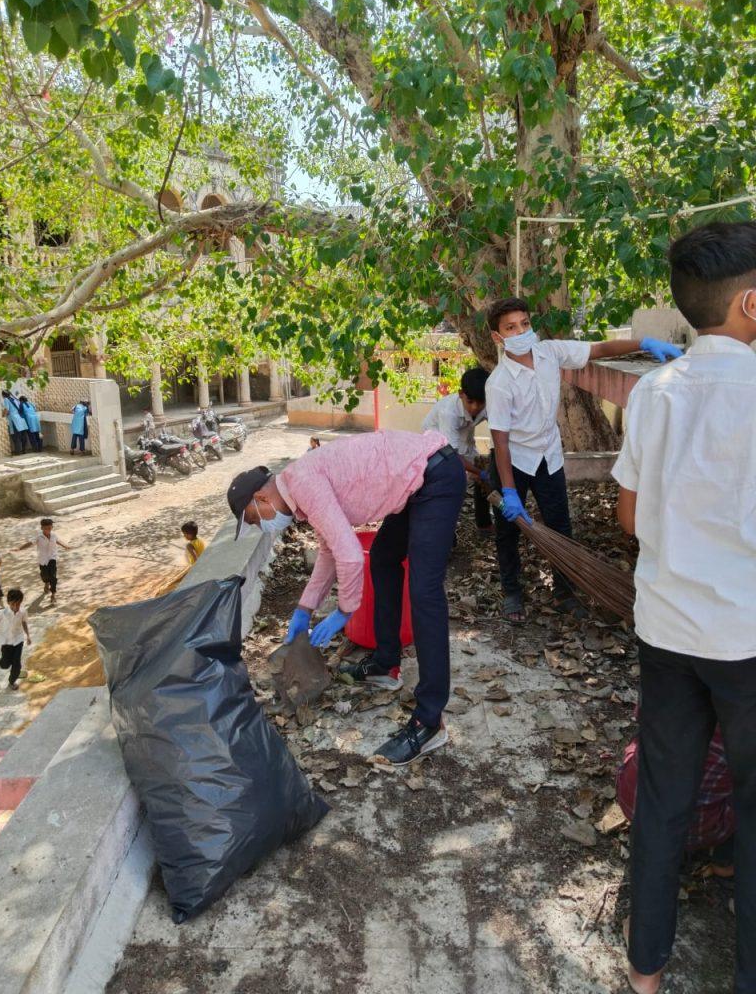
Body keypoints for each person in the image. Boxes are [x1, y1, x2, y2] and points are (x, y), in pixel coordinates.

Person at [612, 220, 756, 994]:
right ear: (752, 307)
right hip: (747, 637)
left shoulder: (652, 393)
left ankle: (645, 971)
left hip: (667, 630)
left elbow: (631, 520)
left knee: (664, 800)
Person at [227, 429, 466, 765]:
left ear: (262, 499)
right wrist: (304, 608)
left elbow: (351, 556)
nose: (260, 526)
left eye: (254, 519)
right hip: (415, 482)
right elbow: (329, 550)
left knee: (424, 592)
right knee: (383, 557)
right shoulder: (299, 488)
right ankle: (386, 663)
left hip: (435, 476)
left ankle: (429, 721)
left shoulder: (303, 482)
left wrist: (343, 612)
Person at [484, 297, 682, 624]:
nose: (521, 331)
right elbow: (501, 443)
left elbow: (598, 350)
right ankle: (512, 592)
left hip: (548, 455)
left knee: (560, 526)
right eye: (511, 327)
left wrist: (644, 343)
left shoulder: (549, 352)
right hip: (513, 462)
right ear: (498, 337)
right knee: (508, 530)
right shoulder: (499, 384)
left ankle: (564, 592)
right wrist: (508, 491)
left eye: (525, 323)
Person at [617, 725, 734, 871]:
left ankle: (650, 838)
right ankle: (724, 860)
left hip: (634, 802)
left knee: (643, 734)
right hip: (696, 828)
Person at [422, 366, 492, 537]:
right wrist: (480, 472)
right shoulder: (448, 412)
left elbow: (500, 430)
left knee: (483, 481)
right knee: (448, 487)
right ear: (461, 394)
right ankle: (446, 536)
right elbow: (452, 457)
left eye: (480, 403)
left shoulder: (487, 403)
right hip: (437, 449)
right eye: (470, 402)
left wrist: (485, 472)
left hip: (464, 443)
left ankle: (484, 525)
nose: (475, 407)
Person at [13, 518, 71, 606]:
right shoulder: (38, 536)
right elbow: (30, 543)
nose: (48, 530)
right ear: (42, 528)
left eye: (50, 527)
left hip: (52, 558)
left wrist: (65, 546)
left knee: (53, 577)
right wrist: (19, 548)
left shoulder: (54, 535)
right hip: (43, 560)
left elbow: (57, 541)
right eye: (46, 528)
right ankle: (46, 583)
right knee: (44, 576)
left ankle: (53, 594)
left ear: (52, 527)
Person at [0, 588, 31, 691]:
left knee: (17, 663)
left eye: (18, 604)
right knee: (5, 664)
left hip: (18, 640)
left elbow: (24, 623)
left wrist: (28, 635)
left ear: (21, 603)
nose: (16, 607)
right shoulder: (1, 613)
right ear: (8, 602)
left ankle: (12, 681)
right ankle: (4, 662)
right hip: (6, 642)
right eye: (13, 604)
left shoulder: (23, 612)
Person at [1, 389, 29, 456]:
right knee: (23, 436)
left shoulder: (6, 399)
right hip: (21, 419)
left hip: (14, 420)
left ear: (3, 395)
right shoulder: (14, 399)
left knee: (16, 437)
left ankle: (18, 452)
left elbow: (6, 409)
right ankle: (24, 450)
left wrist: (2, 416)